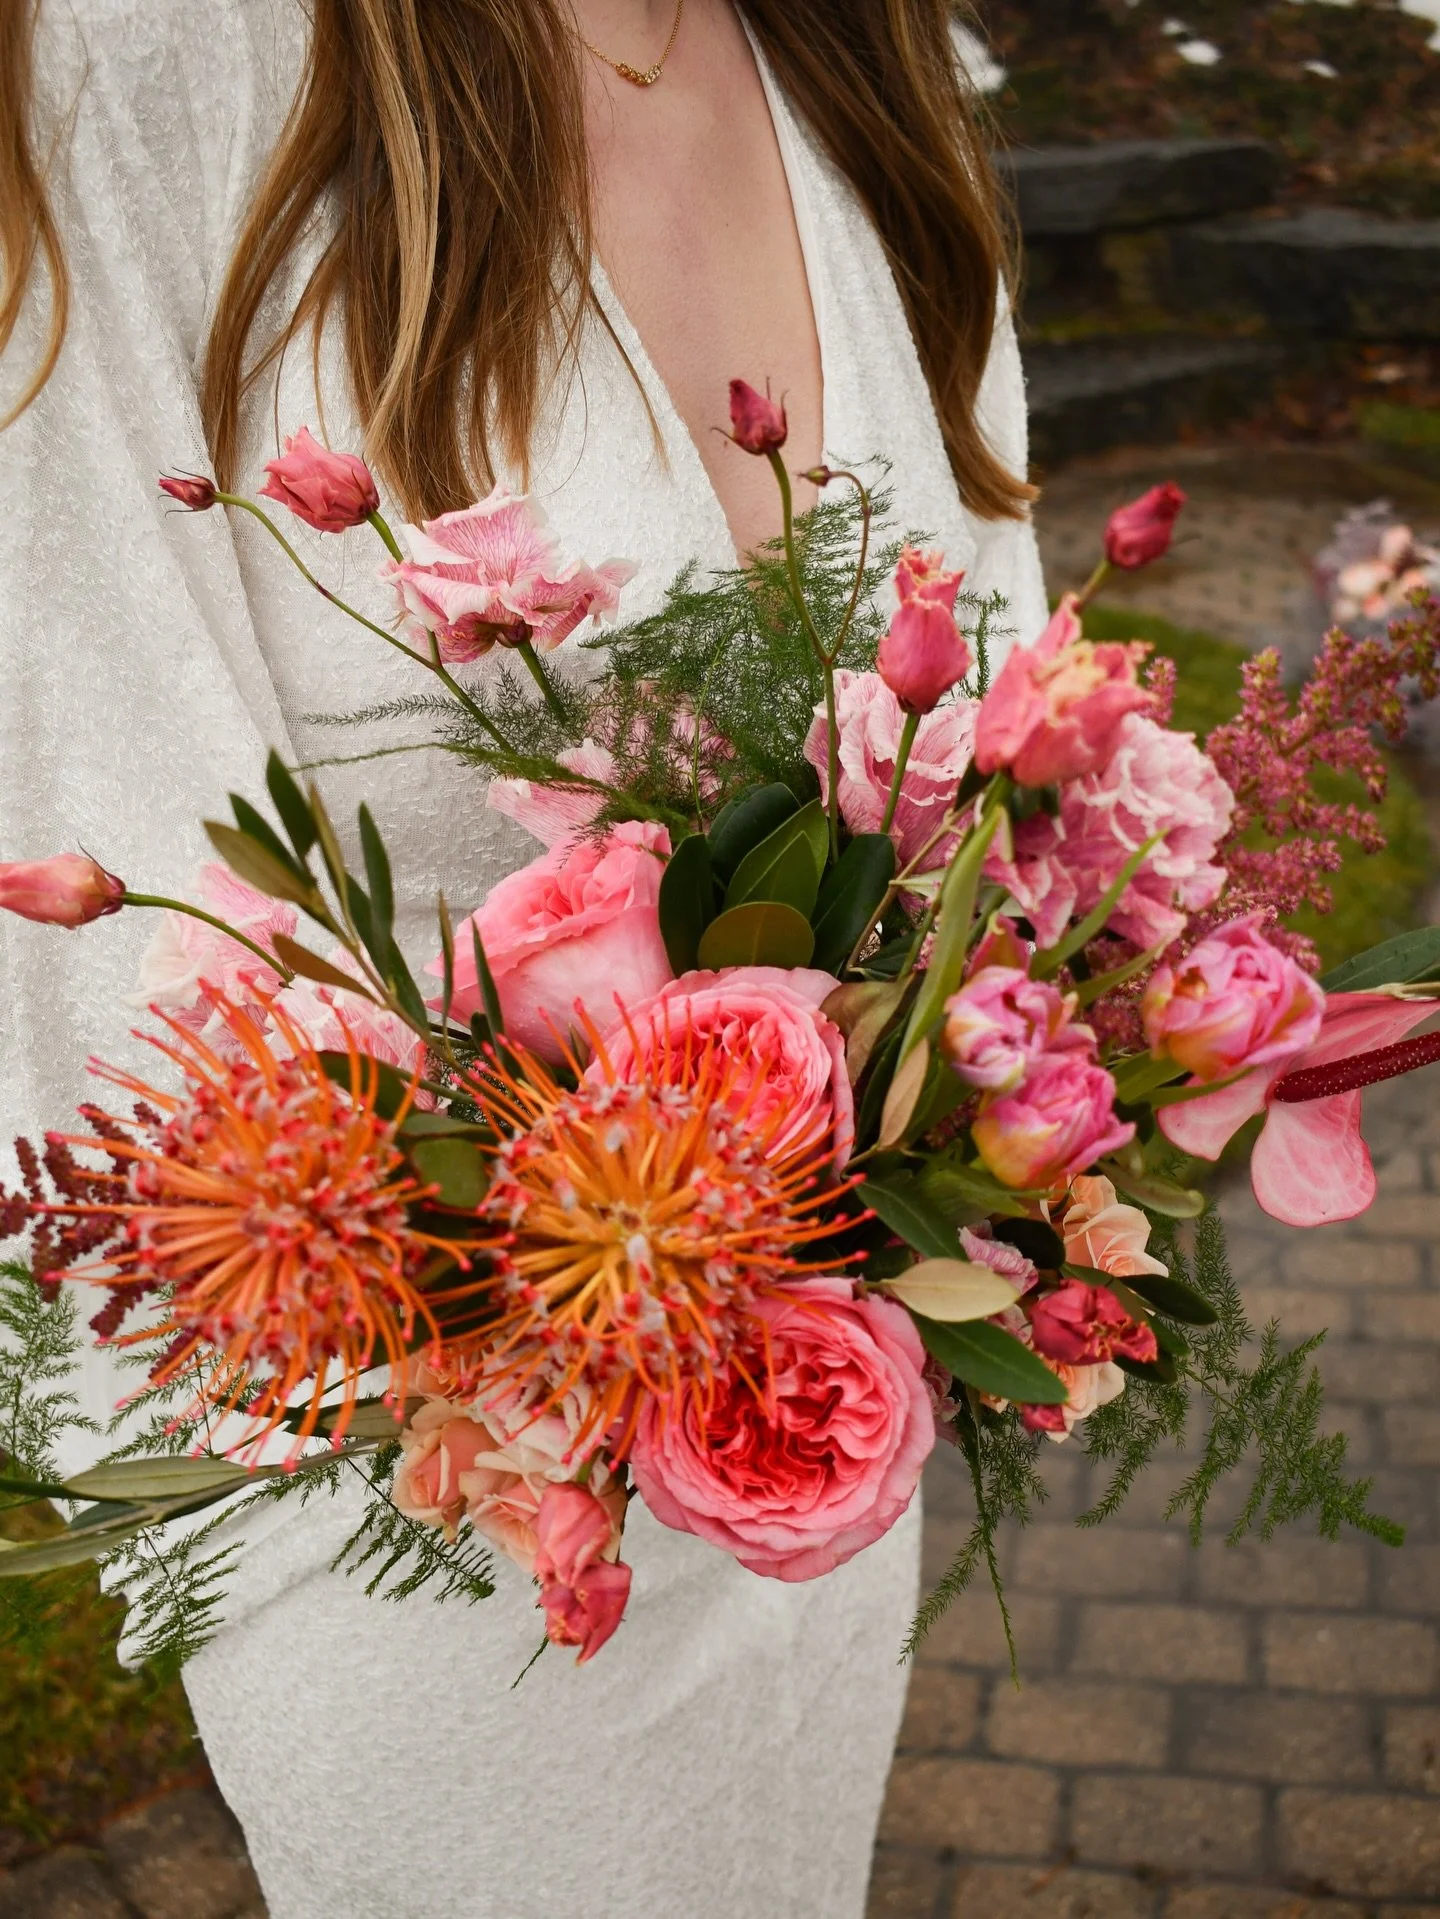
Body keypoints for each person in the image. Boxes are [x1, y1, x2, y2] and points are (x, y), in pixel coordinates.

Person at [0, 2, 1046, 1913]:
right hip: (432, 1504)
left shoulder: (882, 67)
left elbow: (985, 732)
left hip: (817, 1429)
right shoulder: (140, 58)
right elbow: (103, 885)